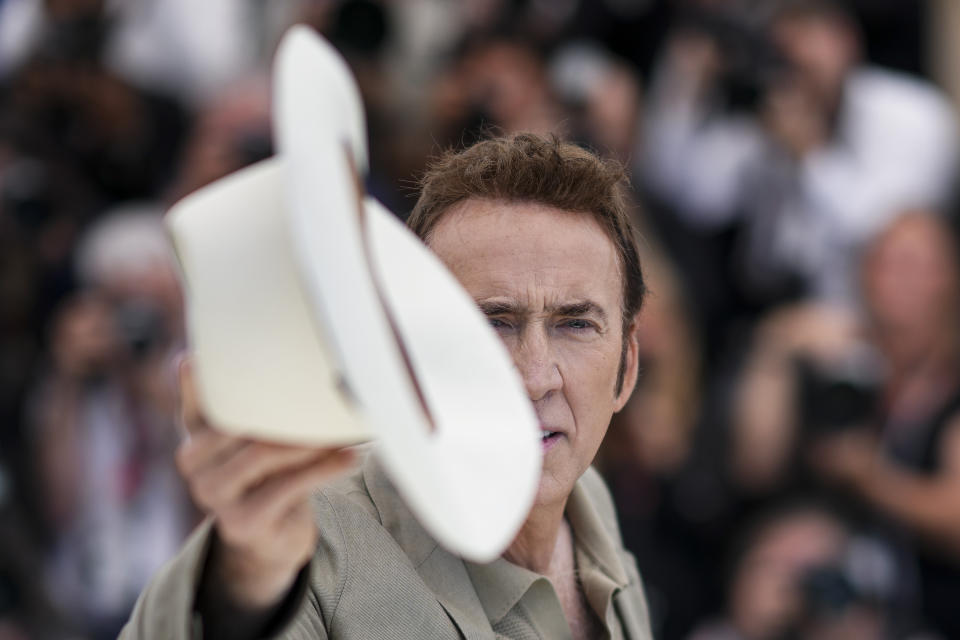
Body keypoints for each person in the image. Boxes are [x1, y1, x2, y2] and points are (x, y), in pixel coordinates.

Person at [120, 133, 654, 639]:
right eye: (491, 323)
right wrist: (243, 585)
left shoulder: (591, 505)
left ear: (626, 370)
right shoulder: (308, 535)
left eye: (575, 324)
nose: (535, 377)